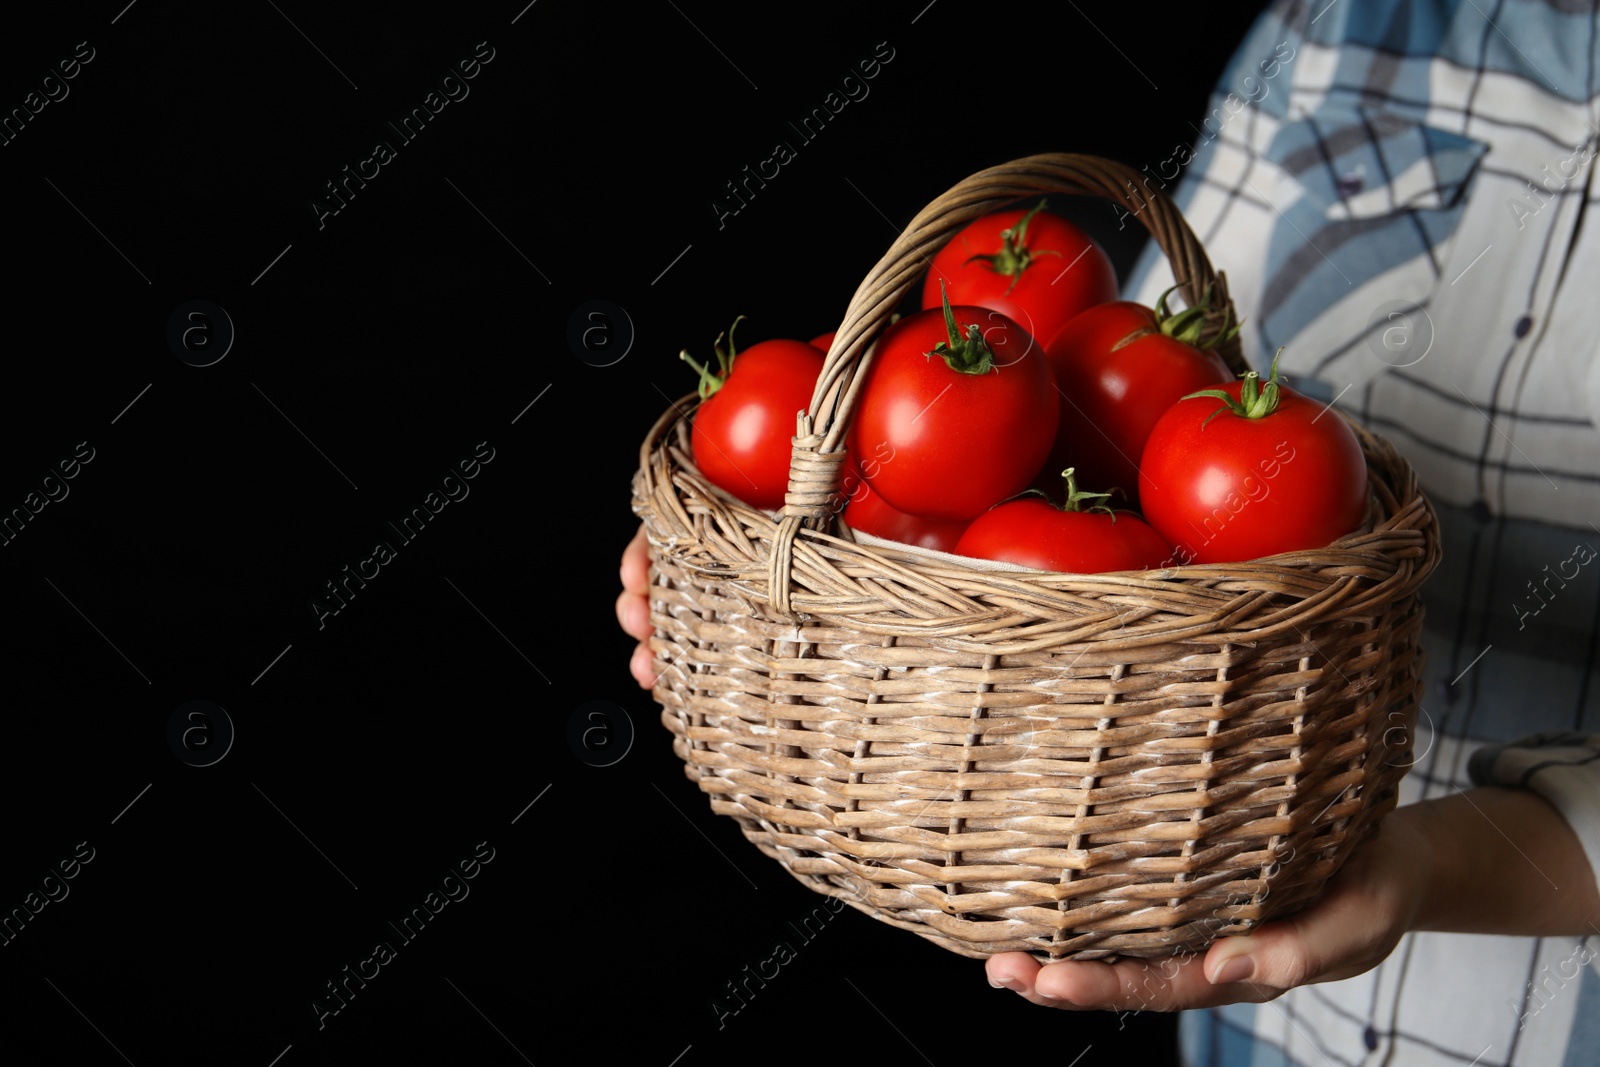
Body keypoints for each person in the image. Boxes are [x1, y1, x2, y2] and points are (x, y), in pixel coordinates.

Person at [619, 2, 1600, 1062]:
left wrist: (1431, 865)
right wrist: (758, 583)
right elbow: (1102, 413)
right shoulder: (1341, 28)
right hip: (1254, 1000)